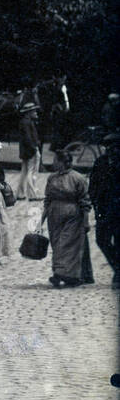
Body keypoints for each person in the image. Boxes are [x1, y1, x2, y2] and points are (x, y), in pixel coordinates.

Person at [43, 151, 94, 288]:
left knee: (68, 244)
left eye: (56, 160)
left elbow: (84, 201)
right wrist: (42, 218)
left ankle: (61, 274)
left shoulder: (77, 178)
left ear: (63, 162)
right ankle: (65, 274)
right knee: (56, 243)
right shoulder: (51, 178)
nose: (53, 163)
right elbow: (47, 198)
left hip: (72, 214)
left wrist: (85, 221)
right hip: (54, 214)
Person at [88, 134, 119, 288]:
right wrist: (94, 202)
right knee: (102, 240)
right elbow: (93, 184)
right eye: (108, 148)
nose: (111, 151)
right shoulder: (101, 163)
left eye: (114, 147)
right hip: (104, 210)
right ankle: (117, 268)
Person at [16, 105, 42, 202]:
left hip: (26, 151)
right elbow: (28, 138)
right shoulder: (27, 123)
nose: (36, 113)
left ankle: (20, 193)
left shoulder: (24, 122)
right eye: (34, 111)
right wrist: (34, 148)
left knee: (24, 172)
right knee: (31, 172)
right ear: (29, 113)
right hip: (30, 151)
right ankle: (32, 194)